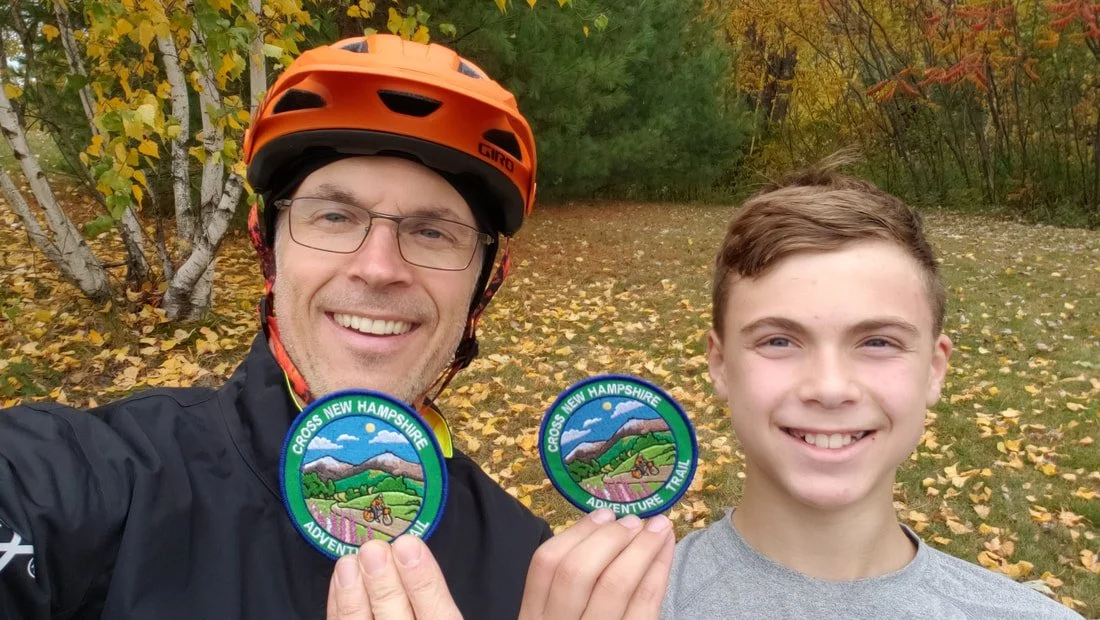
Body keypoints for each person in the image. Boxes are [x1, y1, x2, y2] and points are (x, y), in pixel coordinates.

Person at [0, 34, 673, 619]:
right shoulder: (96, 481)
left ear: (483, 286)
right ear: (269, 248)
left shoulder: (529, 570)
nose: (378, 268)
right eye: (334, 216)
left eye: (433, 231)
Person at [660, 154, 1082, 619]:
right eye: (778, 341)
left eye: (878, 342)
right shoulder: (627, 605)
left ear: (934, 370)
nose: (829, 388)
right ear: (720, 365)